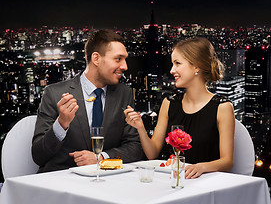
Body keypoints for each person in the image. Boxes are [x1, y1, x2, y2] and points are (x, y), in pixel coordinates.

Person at [32, 29, 144, 173]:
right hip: (63, 184)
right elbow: (38, 156)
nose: (125, 66)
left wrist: (102, 158)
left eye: (125, 59)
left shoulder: (124, 93)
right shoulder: (54, 93)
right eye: (118, 59)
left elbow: (134, 148)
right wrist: (61, 124)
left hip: (108, 183)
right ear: (96, 58)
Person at [124, 37, 235, 179]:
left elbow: (227, 161)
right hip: (173, 181)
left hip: (206, 182)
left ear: (197, 66)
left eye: (177, 63)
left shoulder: (222, 107)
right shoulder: (169, 103)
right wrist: (139, 127)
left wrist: (201, 167)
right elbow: (152, 154)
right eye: (172, 64)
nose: (172, 70)